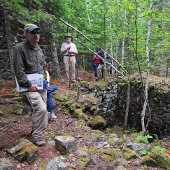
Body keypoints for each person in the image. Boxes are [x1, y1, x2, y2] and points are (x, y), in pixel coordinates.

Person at [13, 24, 48, 146]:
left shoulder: (38, 48)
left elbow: (39, 64)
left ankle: (35, 131)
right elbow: (19, 69)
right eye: (33, 32)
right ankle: (37, 137)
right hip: (29, 85)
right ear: (26, 33)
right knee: (41, 108)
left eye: (38, 32)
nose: (36, 35)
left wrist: (43, 66)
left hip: (41, 84)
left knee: (41, 109)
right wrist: (27, 85)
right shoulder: (19, 48)